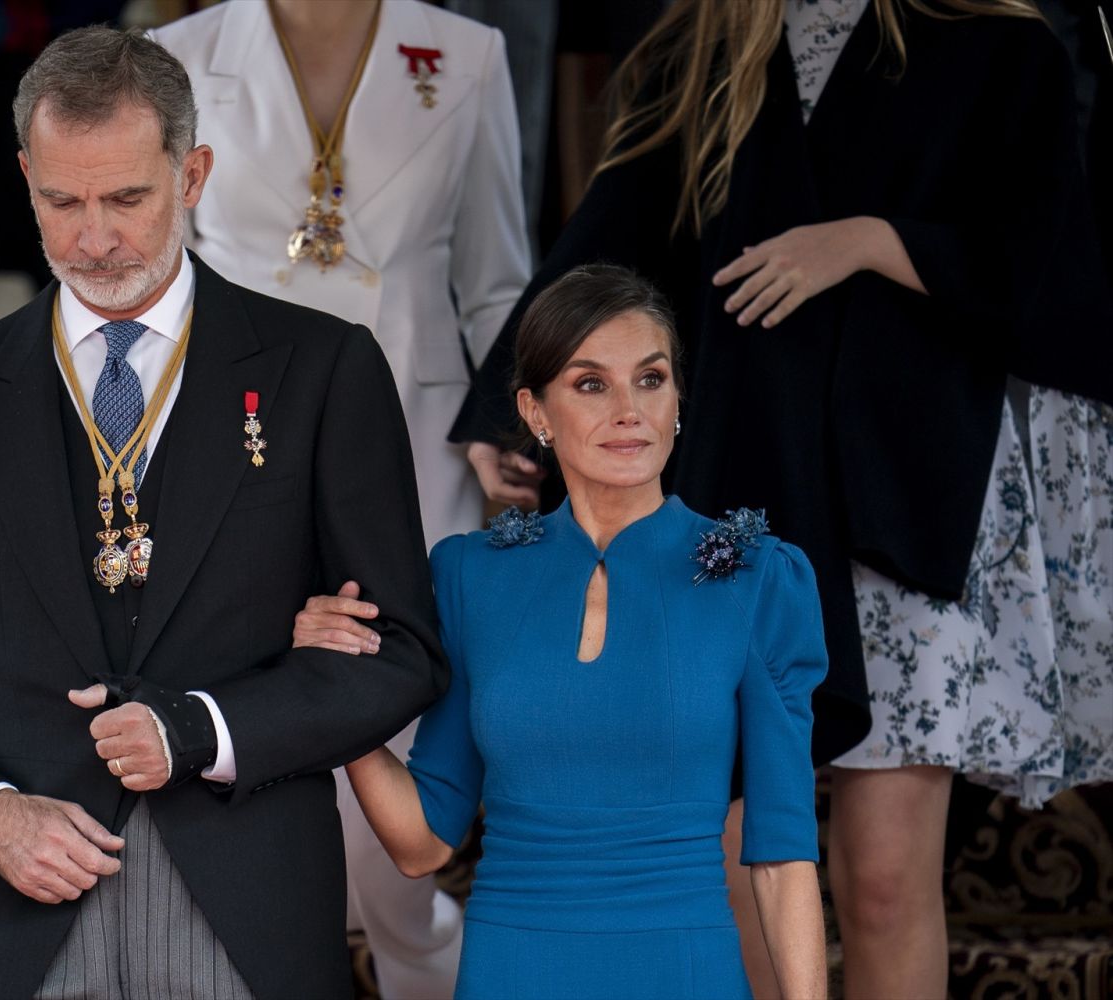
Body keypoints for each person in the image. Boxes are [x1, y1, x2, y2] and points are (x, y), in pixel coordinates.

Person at [449, 1, 1113, 995]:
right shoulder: (698, 43)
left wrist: (868, 241)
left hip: (909, 497)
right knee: (730, 866)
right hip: (736, 493)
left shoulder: (997, 44)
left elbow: (1046, 263)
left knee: (883, 881)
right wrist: (515, 408)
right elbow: (613, 245)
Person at [0, 26, 447, 1000]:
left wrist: (203, 728)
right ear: (24, 175)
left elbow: (404, 651)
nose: (93, 238)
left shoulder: (321, 370)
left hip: (252, 912)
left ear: (192, 174)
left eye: (127, 197)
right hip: (30, 915)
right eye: (60, 201)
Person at [299, 264, 829, 1000]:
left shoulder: (759, 579)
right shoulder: (467, 577)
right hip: (512, 971)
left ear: (678, 401)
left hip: (684, 972)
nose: (629, 409)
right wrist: (341, 688)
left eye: (651, 379)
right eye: (590, 384)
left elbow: (781, 858)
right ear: (535, 411)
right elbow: (420, 843)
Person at [151, 2, 530, 994]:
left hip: (414, 462)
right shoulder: (174, 59)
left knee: (388, 812)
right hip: (231, 468)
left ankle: (426, 964)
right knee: (241, 785)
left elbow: (497, 286)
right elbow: (149, 281)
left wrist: (507, 423)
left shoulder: (467, 53)